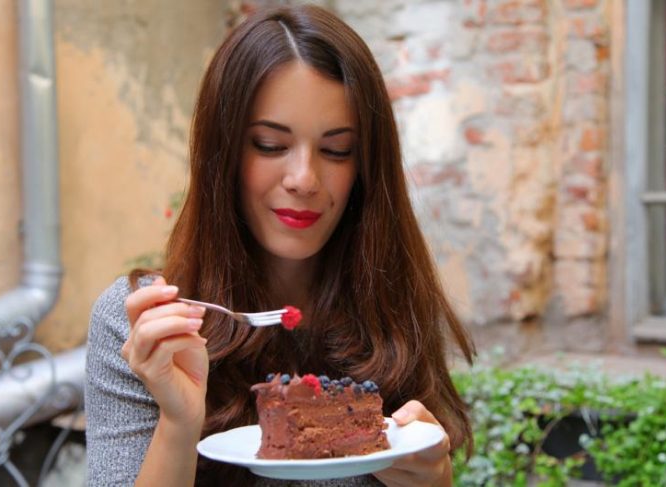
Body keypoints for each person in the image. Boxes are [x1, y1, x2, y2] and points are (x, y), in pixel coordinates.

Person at [85, 4, 475, 486]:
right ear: (222, 153)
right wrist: (179, 423)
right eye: (270, 144)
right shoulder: (143, 326)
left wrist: (434, 483)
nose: (304, 179)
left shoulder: (390, 313)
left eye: (336, 150)